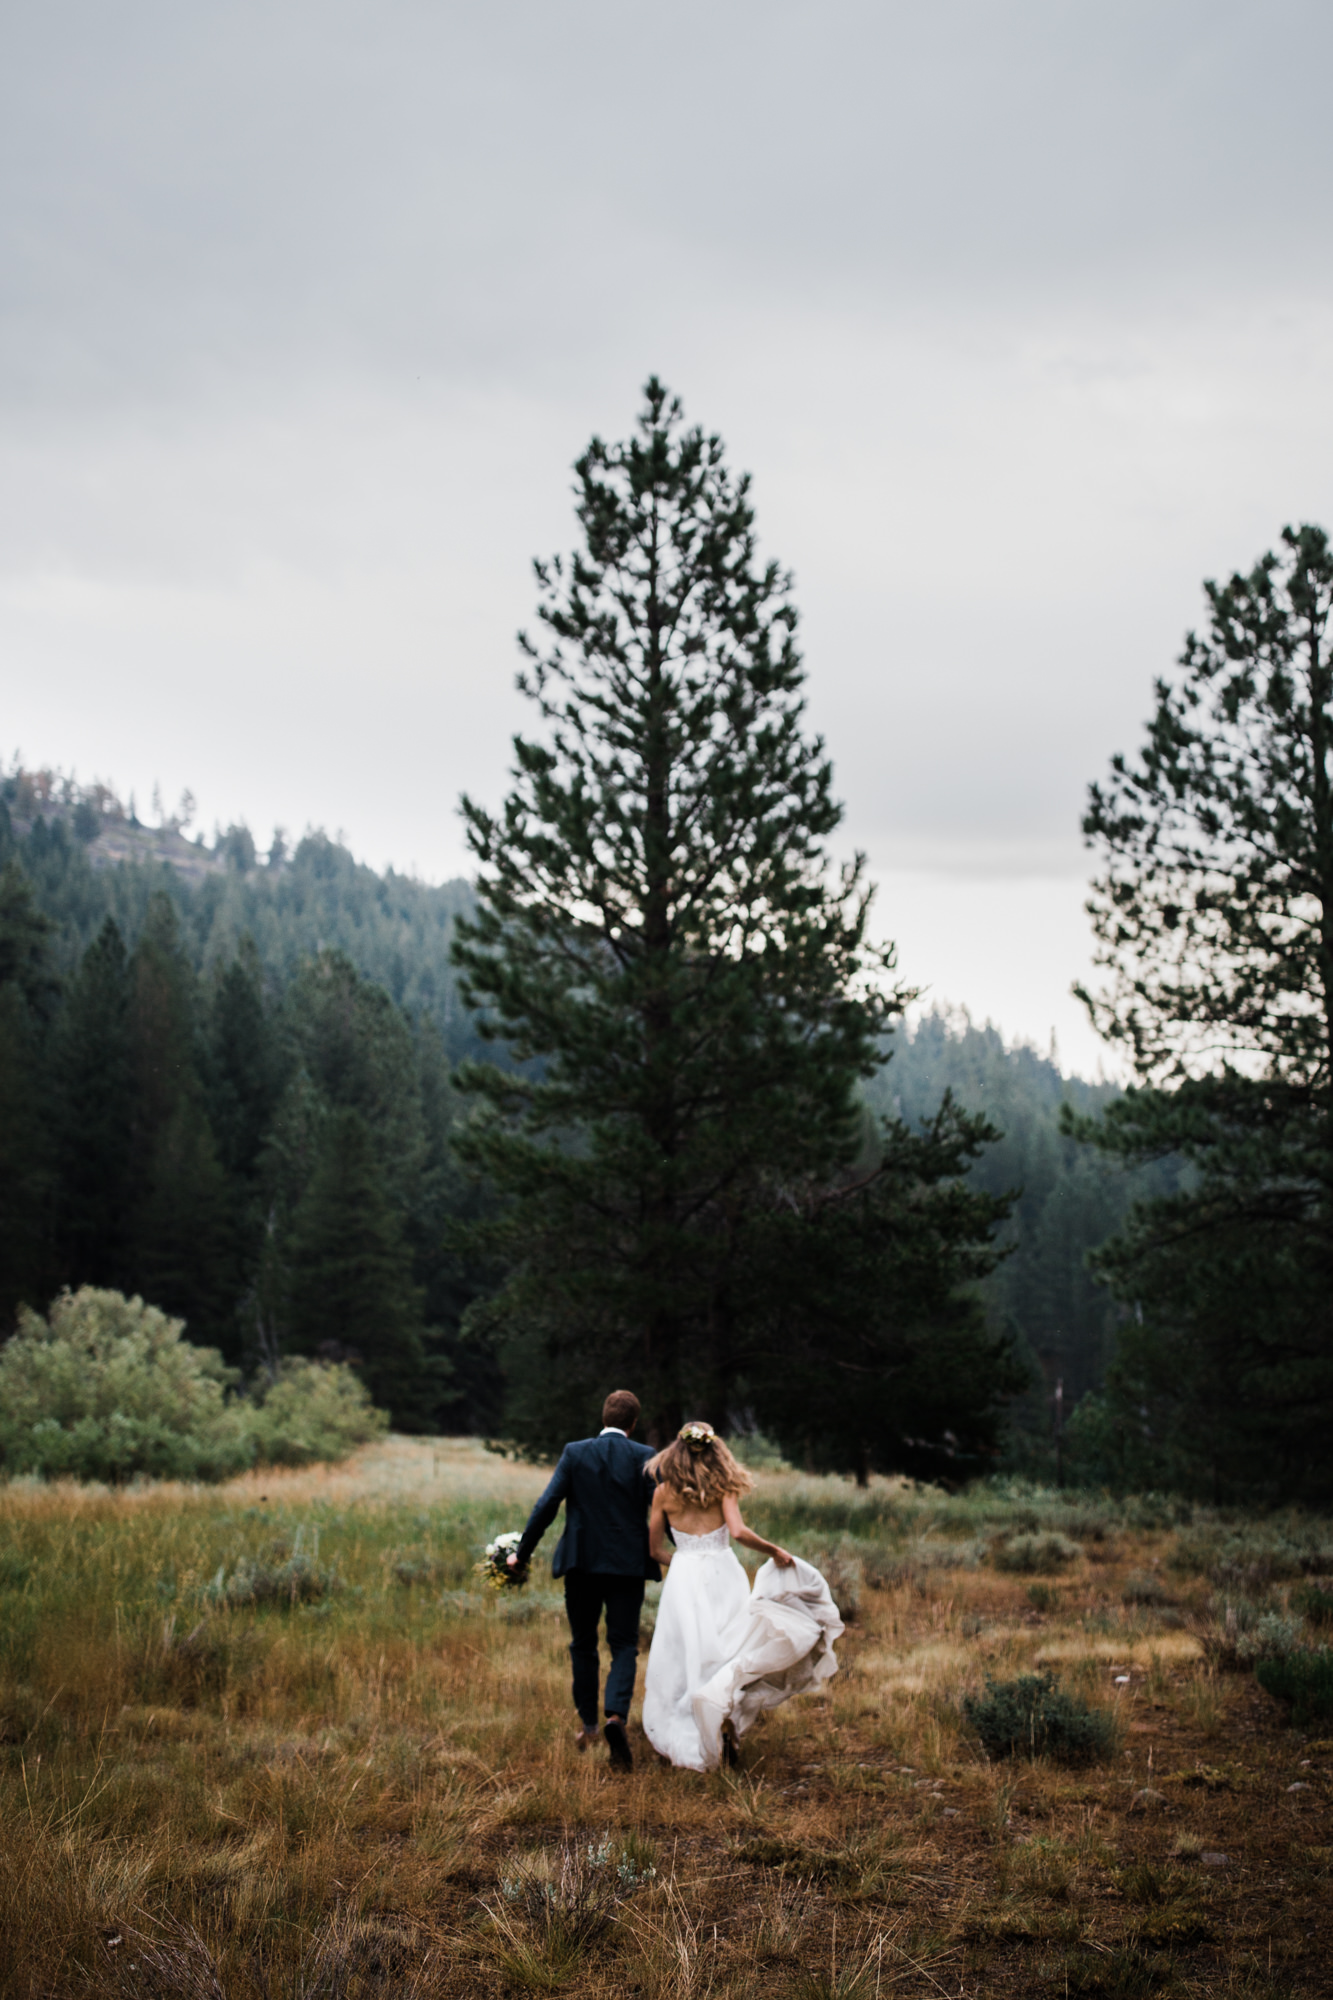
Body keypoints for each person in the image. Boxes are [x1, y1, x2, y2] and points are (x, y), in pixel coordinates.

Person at [641, 1421, 845, 1772]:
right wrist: (774, 1549)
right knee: (730, 1647)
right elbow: (737, 1532)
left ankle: (690, 1730)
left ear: (676, 1452)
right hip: (723, 1573)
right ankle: (725, 1722)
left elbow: (654, 1549)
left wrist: (684, 1563)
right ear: (716, 1450)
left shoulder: (663, 1493)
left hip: (683, 1578)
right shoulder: (724, 1487)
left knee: (685, 1654)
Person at [509, 1388, 656, 1771]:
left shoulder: (576, 1452)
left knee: (584, 1644)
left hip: (581, 1564)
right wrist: (687, 1550)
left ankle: (590, 1726)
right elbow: (661, 1515)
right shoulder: (645, 1457)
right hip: (627, 1567)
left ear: (603, 1418)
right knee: (624, 1644)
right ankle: (616, 1719)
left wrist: (520, 1554)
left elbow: (547, 1506)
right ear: (633, 1423)